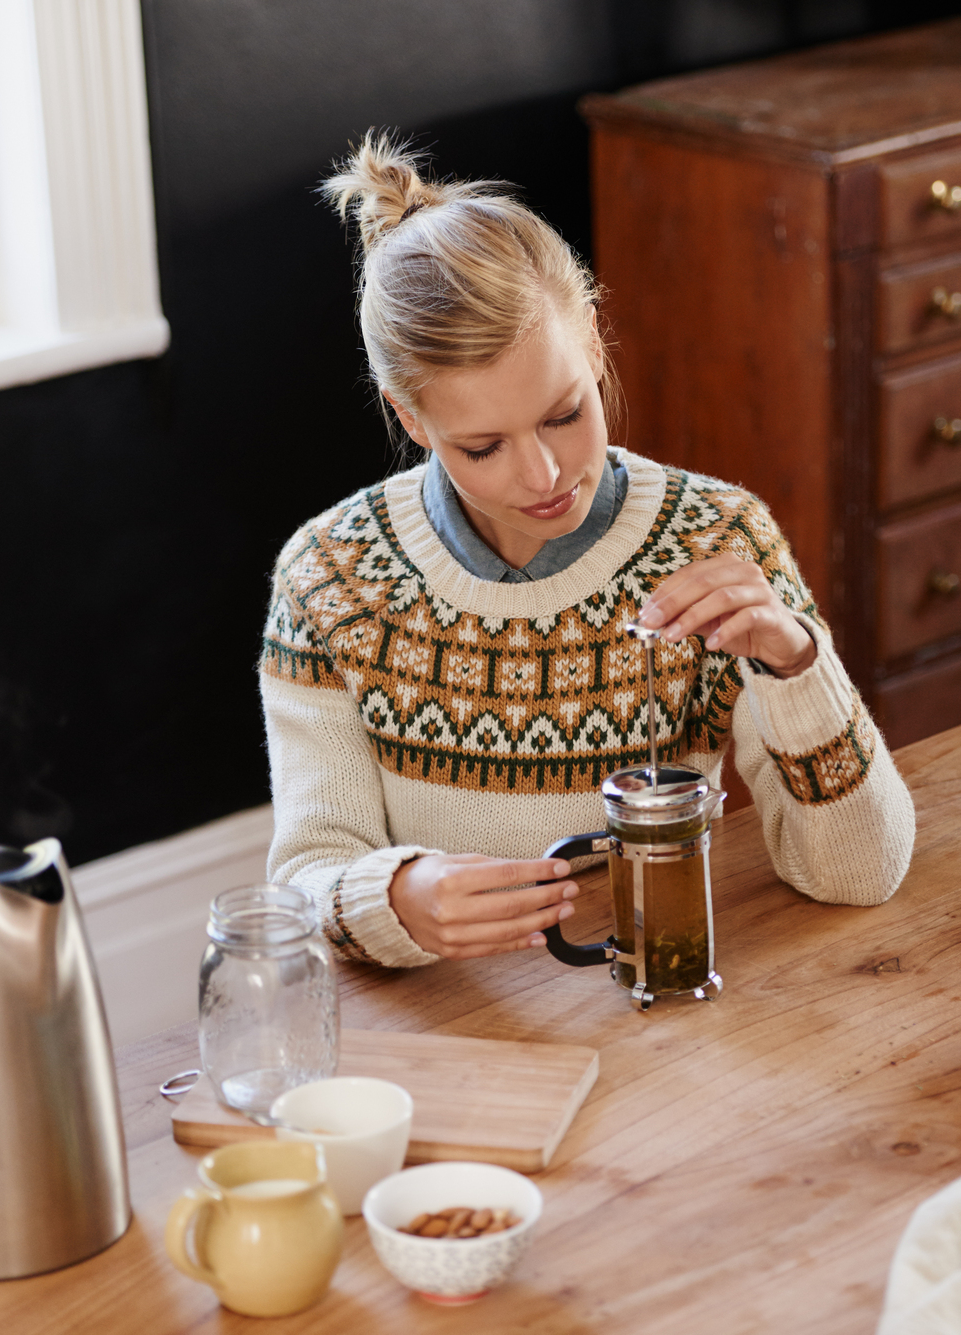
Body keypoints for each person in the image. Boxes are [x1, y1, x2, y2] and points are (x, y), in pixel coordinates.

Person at [258, 133, 913, 968]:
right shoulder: (330, 578)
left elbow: (862, 872)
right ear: (412, 419)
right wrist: (391, 898)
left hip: (661, 1009)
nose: (543, 473)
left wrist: (794, 665)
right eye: (483, 447)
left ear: (595, 341)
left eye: (565, 413)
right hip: (449, 1035)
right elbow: (308, 876)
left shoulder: (716, 535)